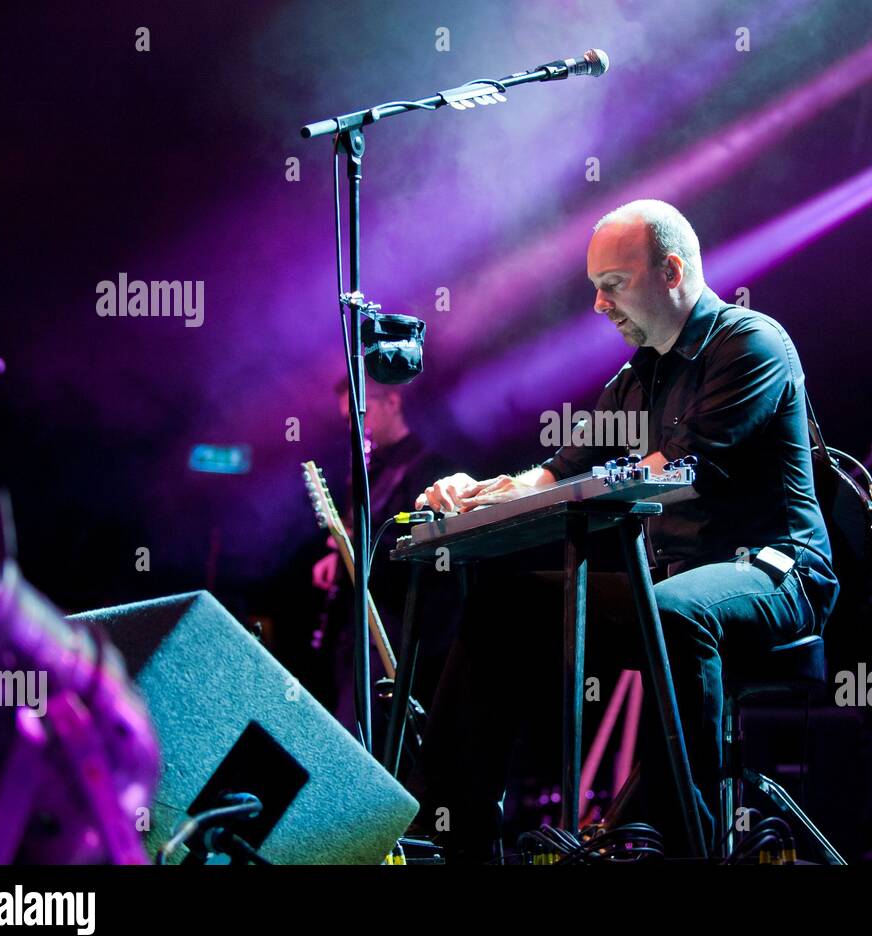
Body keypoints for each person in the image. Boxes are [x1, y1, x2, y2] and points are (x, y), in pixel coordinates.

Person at [408, 198, 839, 860]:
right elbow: (559, 471)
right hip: (671, 585)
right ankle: (454, 836)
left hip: (780, 573)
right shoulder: (635, 380)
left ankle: (677, 843)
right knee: (505, 603)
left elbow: (684, 468)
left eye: (613, 286)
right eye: (596, 290)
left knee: (673, 612)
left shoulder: (752, 342)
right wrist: (478, 495)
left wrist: (579, 486)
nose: (600, 307)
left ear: (670, 270)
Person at [311, 377, 457, 735]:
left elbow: (428, 547)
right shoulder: (364, 471)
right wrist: (338, 559)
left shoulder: (428, 468)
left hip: (394, 629)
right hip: (355, 629)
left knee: (357, 737)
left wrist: (354, 540)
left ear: (392, 402)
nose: (355, 427)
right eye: (348, 419)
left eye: (361, 413)